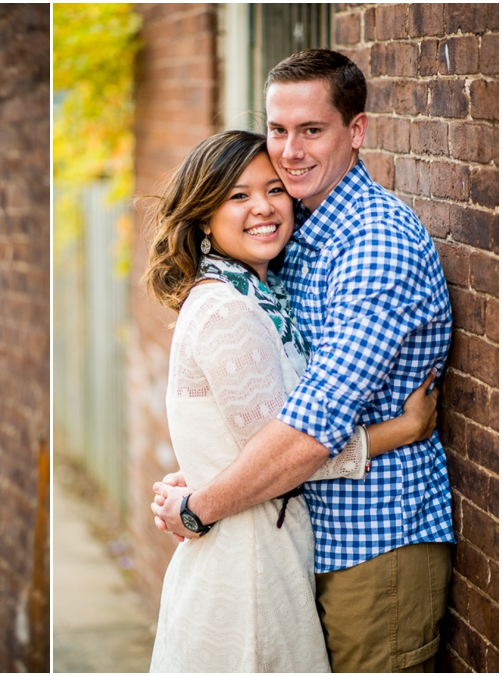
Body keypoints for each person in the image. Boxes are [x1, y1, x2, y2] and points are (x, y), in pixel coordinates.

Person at [151, 50, 453, 672]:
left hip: (377, 545)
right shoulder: (291, 244)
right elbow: (261, 413)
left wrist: (199, 504)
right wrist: (212, 467)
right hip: (304, 536)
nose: (290, 152)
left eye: (312, 130)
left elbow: (311, 428)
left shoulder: (374, 246)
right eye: (278, 130)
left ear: (357, 131)